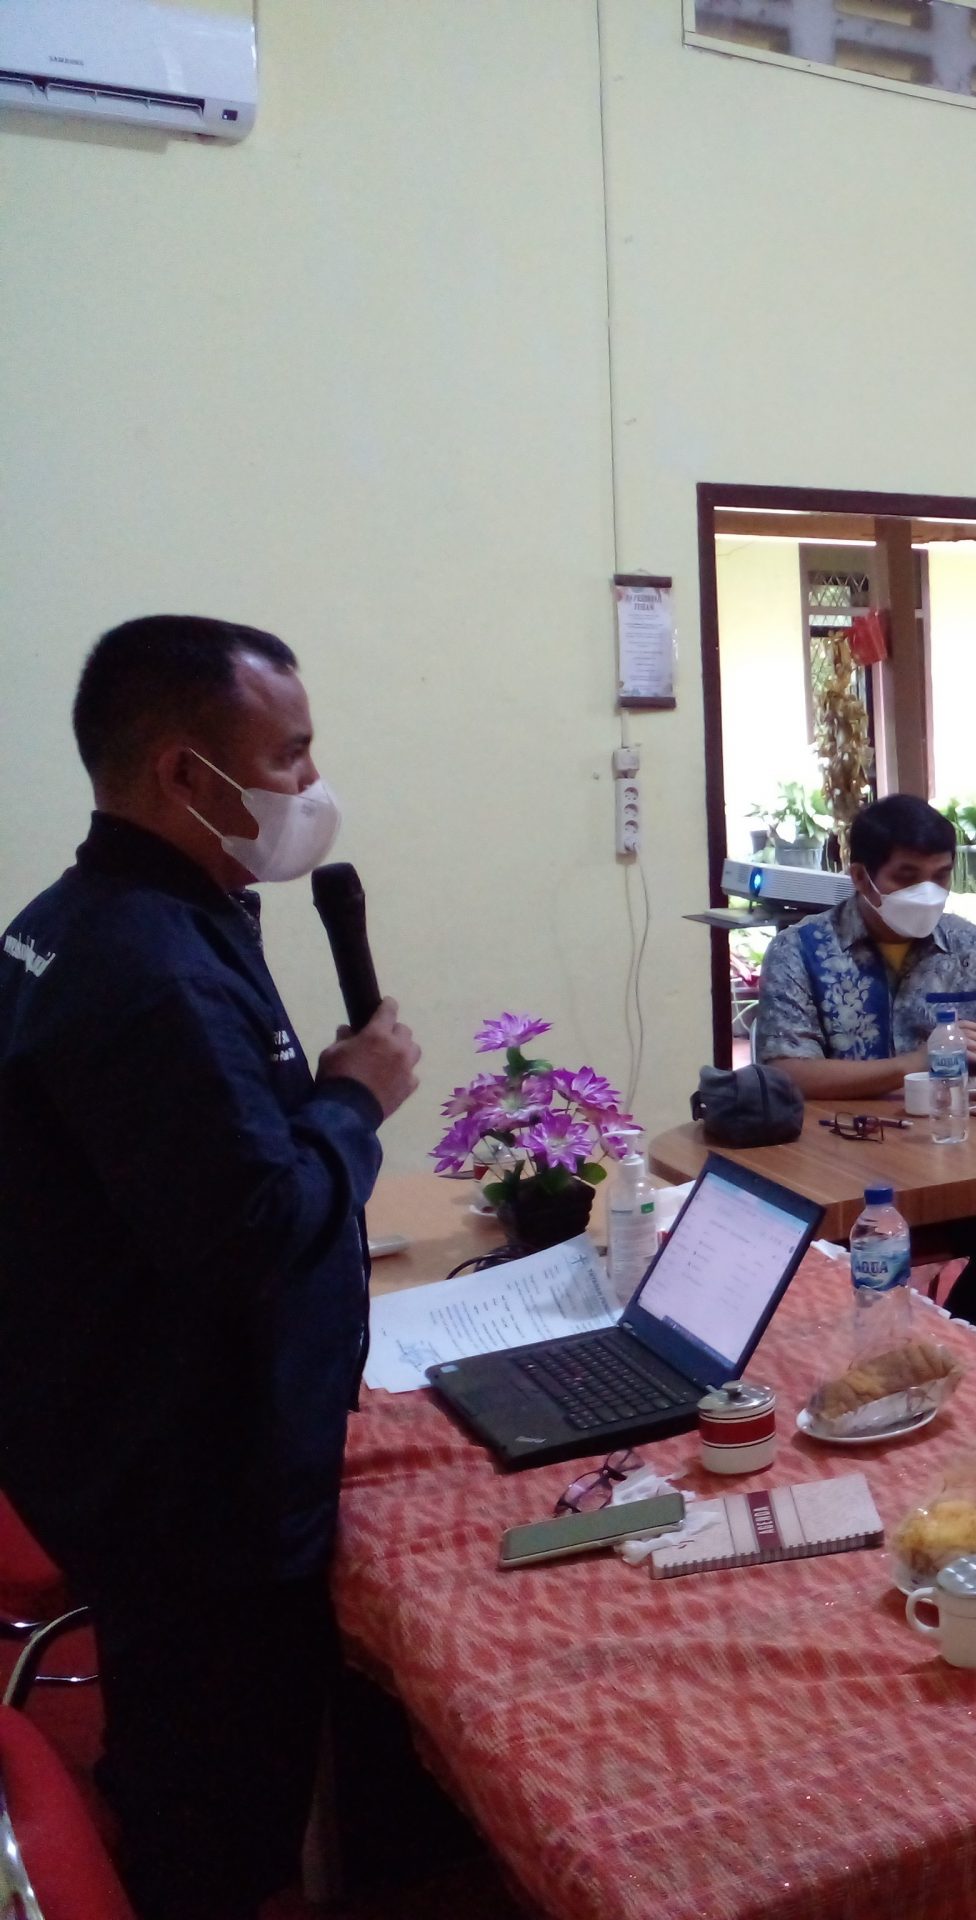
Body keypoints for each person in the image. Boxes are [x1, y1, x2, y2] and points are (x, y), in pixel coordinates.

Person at [0, 615, 422, 1920]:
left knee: (182, 1755)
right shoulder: (148, 973)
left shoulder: (77, 922)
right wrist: (356, 1104)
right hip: (190, 1493)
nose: (310, 787)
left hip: (116, 1435)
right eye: (289, 757)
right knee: (220, 1813)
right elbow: (245, 1232)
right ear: (188, 774)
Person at [754, 793, 976, 1330]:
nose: (927, 892)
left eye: (941, 876)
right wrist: (919, 1061)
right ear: (860, 877)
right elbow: (787, 1072)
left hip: (949, 1159)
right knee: (815, 1265)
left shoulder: (965, 943)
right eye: (906, 876)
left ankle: (957, 1341)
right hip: (842, 1169)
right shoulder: (798, 951)